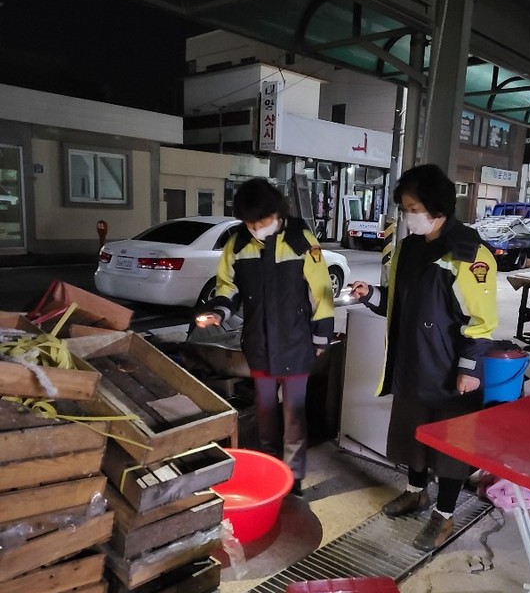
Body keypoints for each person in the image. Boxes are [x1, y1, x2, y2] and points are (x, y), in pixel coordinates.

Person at [351, 164, 498, 551]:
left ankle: (444, 515)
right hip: (413, 363)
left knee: (451, 446)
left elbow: (481, 323)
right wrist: (371, 296)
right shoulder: (409, 248)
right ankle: (417, 492)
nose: (407, 216)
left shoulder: (469, 254)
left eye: (413, 208)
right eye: (404, 208)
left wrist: (469, 368)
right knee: (412, 436)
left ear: (436, 207)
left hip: (451, 370)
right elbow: (397, 305)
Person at [194, 178, 335, 497]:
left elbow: (321, 291)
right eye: (250, 222)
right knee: (266, 411)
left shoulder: (301, 238)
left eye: (262, 220)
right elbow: (226, 286)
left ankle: (294, 477)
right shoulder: (238, 243)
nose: (257, 227)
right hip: (258, 344)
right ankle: (272, 467)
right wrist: (218, 312)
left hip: (296, 342)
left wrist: (321, 337)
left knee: (294, 413)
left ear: (277, 212)